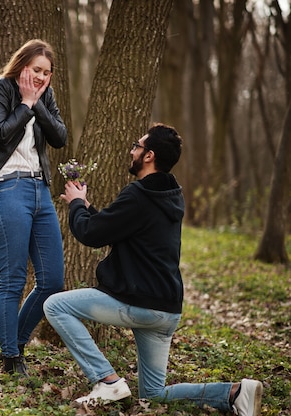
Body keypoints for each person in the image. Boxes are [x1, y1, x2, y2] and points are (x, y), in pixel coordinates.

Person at [43, 124, 263, 415]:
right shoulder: (171, 195)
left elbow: (90, 234)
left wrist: (75, 206)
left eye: (137, 145)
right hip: (166, 310)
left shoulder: (138, 195)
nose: (132, 150)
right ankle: (235, 393)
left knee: (56, 305)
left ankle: (106, 380)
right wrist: (86, 206)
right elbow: (117, 228)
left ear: (149, 156)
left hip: (139, 304)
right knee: (154, 394)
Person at [0, 39, 67, 377]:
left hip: (41, 191)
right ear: (22, 65)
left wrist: (37, 103)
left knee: (52, 280)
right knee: (11, 281)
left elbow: (60, 136)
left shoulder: (44, 96)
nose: (40, 77)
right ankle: (11, 358)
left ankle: (18, 342)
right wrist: (25, 103)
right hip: (9, 190)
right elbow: (2, 131)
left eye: (46, 72)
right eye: (36, 69)